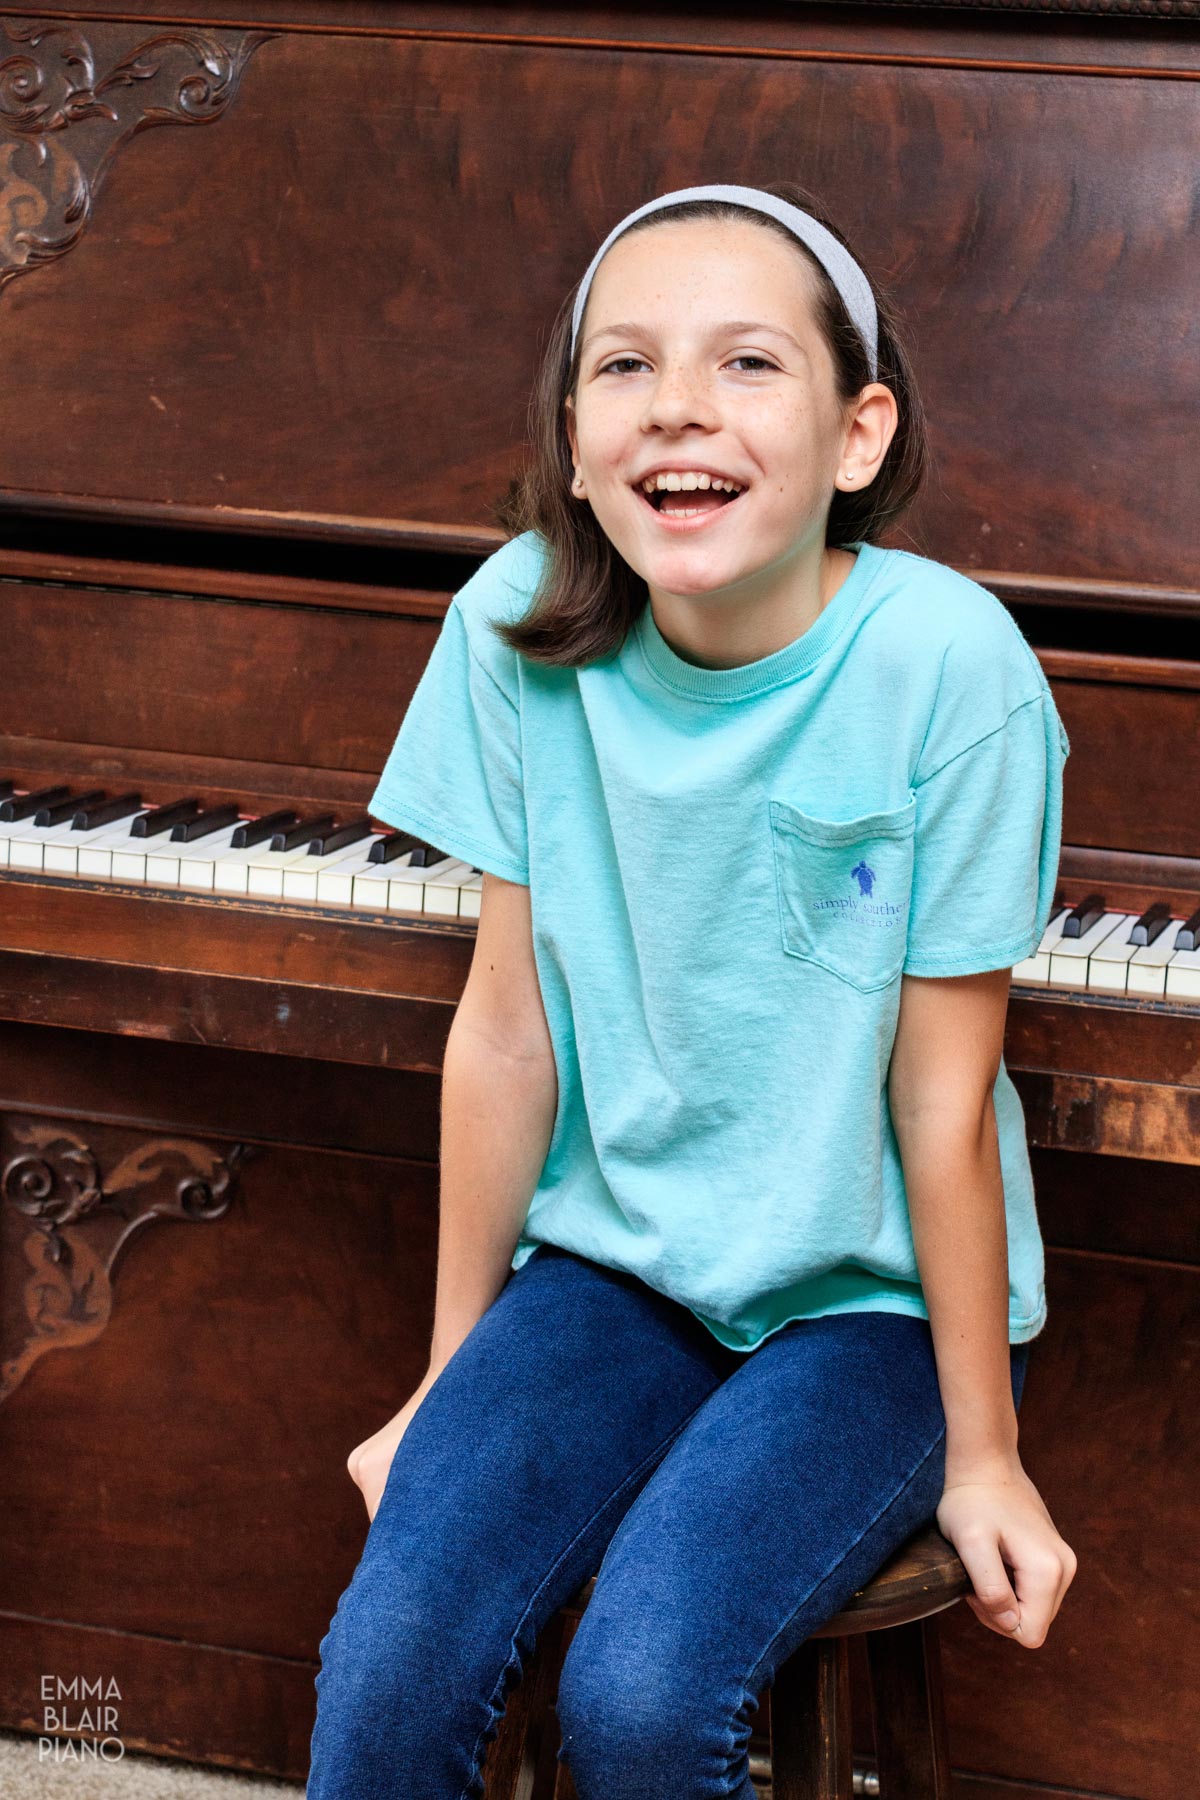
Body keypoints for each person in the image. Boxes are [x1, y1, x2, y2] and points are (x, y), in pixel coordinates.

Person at [306, 180, 1078, 1800]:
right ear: (577, 440)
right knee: (388, 1668)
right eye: (624, 368)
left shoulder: (952, 668)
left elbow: (941, 1098)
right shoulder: (518, 625)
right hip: (619, 1263)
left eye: (747, 366)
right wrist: (450, 1382)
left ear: (859, 436)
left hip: (871, 1303)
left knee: (647, 1699)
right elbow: (507, 1027)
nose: (678, 408)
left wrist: (987, 1455)